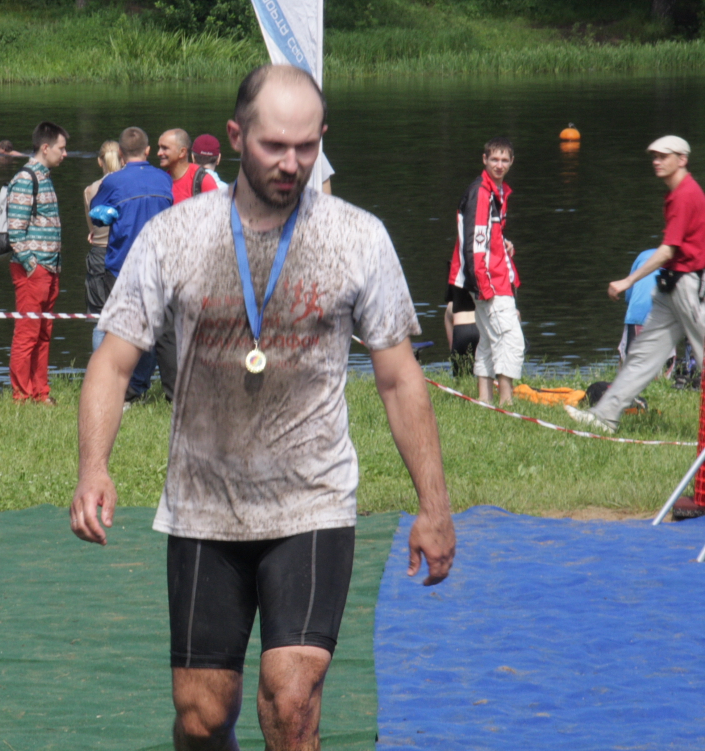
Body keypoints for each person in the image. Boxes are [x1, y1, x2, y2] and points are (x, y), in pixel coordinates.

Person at [70, 65, 455, 751]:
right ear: (235, 136)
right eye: (274, 145)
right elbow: (113, 360)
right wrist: (93, 466)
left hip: (312, 500)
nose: (291, 162)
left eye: (306, 146)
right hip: (204, 503)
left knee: (292, 700)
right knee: (201, 716)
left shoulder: (358, 237)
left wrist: (434, 504)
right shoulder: (175, 235)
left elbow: (400, 380)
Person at [567, 136, 705, 519]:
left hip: (688, 286)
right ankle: (605, 416)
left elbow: (668, 249)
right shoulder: (674, 193)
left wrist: (628, 281)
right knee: (642, 355)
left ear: (681, 159)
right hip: (670, 287)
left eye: (663, 156)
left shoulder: (686, 194)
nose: (656, 161)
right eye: (653, 156)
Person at [89, 127, 174, 402]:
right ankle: (166, 392)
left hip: (122, 266)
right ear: (148, 151)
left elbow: (97, 216)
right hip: (160, 267)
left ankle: (123, 390)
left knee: (123, 330)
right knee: (161, 331)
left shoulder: (113, 181)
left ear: (120, 153)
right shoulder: (164, 178)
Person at [449, 137, 523, 405]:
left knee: (490, 340)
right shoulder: (481, 193)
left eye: (504, 160)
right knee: (510, 339)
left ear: (511, 162)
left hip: (492, 277)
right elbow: (474, 246)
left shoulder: (496, 191)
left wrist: (502, 243)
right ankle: (506, 402)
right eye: (494, 159)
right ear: (484, 160)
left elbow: (486, 235)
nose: (499, 165)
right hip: (490, 281)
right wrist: (484, 287)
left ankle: (484, 400)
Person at [7, 120, 67, 405]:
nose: (65, 154)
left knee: (43, 333)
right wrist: (32, 266)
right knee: (27, 333)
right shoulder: (25, 178)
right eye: (61, 148)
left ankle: (40, 392)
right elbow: (15, 231)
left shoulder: (45, 177)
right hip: (34, 270)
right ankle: (21, 395)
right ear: (45, 148)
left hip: (51, 267)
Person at [85, 140, 124, 350]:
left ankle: (98, 366)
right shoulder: (127, 186)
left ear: (100, 161)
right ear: (122, 159)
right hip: (124, 253)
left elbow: (92, 229)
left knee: (100, 320)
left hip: (99, 253)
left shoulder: (90, 190)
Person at [159, 128, 219, 204]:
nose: (159, 153)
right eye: (159, 148)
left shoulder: (202, 180)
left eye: (165, 148)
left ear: (182, 152)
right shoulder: (162, 181)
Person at [444, 283, 479, 377]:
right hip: (480, 329)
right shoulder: (484, 302)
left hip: (461, 331)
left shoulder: (451, 306)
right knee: (486, 376)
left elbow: (452, 346)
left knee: (461, 378)